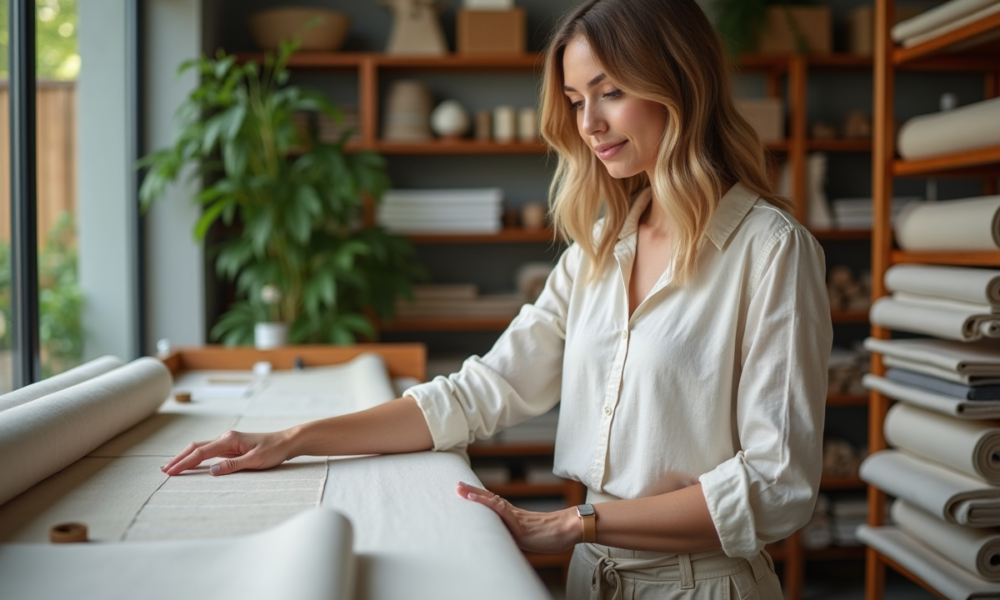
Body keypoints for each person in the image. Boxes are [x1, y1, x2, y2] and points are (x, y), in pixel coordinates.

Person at [162, 0, 832, 597]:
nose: (589, 123)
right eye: (574, 99)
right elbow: (480, 392)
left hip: (703, 586)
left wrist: (574, 522)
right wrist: (294, 439)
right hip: (590, 576)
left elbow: (776, 486)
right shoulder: (600, 247)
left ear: (680, 83)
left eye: (611, 91)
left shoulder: (771, 251)